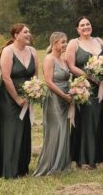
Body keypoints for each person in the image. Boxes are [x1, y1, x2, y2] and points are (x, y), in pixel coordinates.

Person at [0, 23, 38, 178]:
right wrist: (17, 99)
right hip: (8, 97)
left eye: (29, 31)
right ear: (16, 35)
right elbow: (5, 77)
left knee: (24, 130)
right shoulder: (8, 51)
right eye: (25, 32)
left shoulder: (32, 51)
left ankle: (22, 167)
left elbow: (35, 76)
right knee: (11, 130)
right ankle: (8, 169)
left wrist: (33, 92)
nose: (29, 34)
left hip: (27, 96)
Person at [65, 16, 103, 167]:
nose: (86, 27)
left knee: (99, 119)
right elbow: (70, 66)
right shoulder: (73, 43)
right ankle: (83, 158)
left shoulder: (100, 41)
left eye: (88, 24)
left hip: (101, 87)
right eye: (82, 25)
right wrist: (89, 76)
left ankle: (97, 156)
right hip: (83, 87)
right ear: (77, 29)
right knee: (86, 120)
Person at [34, 32, 72, 176]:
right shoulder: (49, 59)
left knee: (64, 128)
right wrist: (63, 95)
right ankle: (50, 164)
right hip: (55, 99)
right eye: (62, 42)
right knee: (55, 129)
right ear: (54, 43)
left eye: (66, 41)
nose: (65, 44)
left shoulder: (63, 59)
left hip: (66, 98)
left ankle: (61, 162)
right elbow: (48, 82)